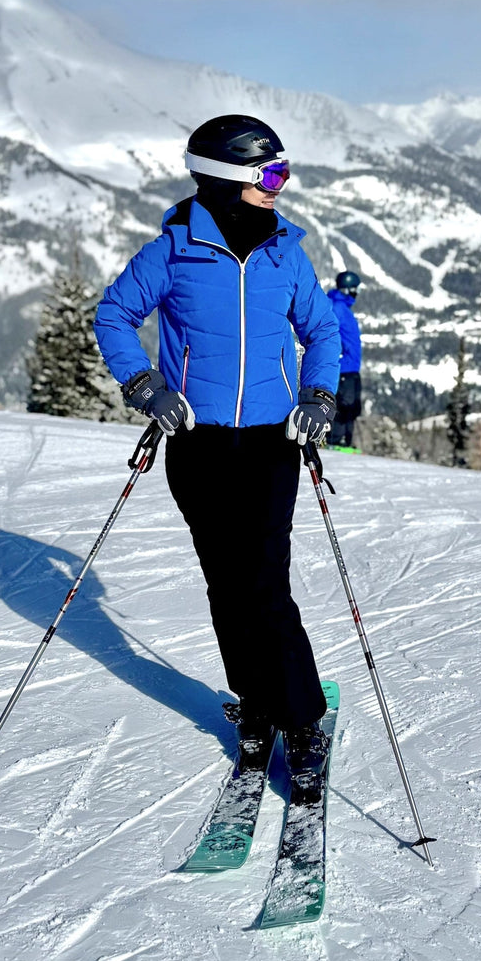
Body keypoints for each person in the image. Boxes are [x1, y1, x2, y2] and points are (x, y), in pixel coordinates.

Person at [93, 115, 341, 777]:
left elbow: (321, 331)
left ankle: (303, 718)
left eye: (282, 172)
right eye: (271, 174)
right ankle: (255, 703)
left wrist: (318, 396)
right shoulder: (172, 252)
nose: (281, 185)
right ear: (231, 179)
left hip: (269, 444)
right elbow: (113, 315)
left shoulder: (287, 253)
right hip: (197, 447)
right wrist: (144, 385)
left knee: (264, 583)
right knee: (226, 583)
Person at [326, 271, 362, 448]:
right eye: (354, 289)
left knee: (353, 407)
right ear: (347, 289)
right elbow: (328, 333)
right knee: (343, 406)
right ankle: (334, 440)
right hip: (343, 368)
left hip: (352, 367)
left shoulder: (344, 308)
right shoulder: (337, 308)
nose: (356, 293)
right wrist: (338, 355)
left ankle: (346, 441)